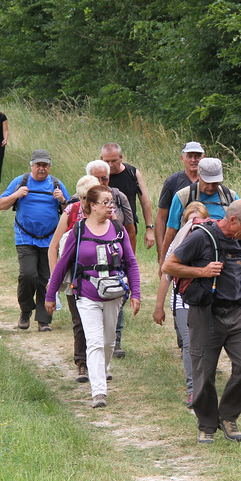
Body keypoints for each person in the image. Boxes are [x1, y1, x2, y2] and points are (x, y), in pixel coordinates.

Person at [162, 199, 241, 444]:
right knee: (203, 373)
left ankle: (227, 416)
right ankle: (206, 424)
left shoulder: (240, 238)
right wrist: (202, 272)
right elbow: (169, 265)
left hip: (236, 312)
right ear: (233, 219)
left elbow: (231, 269)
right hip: (205, 313)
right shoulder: (202, 237)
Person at [45, 185, 141, 409]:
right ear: (93, 206)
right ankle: (99, 391)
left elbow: (132, 263)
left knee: (109, 342)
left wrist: (135, 292)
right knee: (95, 342)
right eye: (106, 202)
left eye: (112, 202)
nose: (111, 206)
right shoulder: (78, 231)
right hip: (86, 295)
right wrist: (51, 295)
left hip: (114, 294)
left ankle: (103, 370)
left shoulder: (118, 228)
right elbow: (62, 265)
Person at [0, 149, 69, 332]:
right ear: (32, 166)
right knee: (28, 275)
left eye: (45, 165)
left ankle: (44, 320)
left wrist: (62, 200)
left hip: (50, 239)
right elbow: (1, 204)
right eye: (38, 165)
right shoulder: (20, 181)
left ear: (49, 167)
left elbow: (70, 211)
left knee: (46, 278)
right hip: (25, 237)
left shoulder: (56, 184)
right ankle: (25, 310)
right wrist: (16, 195)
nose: (42, 169)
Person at [153, 201, 210, 408]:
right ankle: (193, 390)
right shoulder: (177, 245)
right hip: (182, 300)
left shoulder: (211, 241)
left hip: (205, 301)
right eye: (189, 222)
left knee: (203, 344)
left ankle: (203, 385)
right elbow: (166, 275)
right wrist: (159, 307)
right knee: (189, 343)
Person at [87, 159, 135, 358]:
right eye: (96, 178)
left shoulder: (119, 197)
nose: (101, 181)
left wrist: (130, 256)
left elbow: (130, 228)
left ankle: (116, 341)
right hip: (90, 265)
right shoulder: (79, 200)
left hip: (117, 258)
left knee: (117, 294)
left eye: (104, 178)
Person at [161, 157, 237, 267]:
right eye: (207, 182)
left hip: (222, 259)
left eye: (215, 183)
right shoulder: (182, 197)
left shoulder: (231, 197)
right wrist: (163, 265)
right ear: (199, 175)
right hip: (189, 259)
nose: (211, 187)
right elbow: (171, 233)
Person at [155, 141, 204, 266]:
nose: (194, 160)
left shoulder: (211, 182)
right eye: (190, 156)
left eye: (197, 156)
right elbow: (161, 218)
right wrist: (161, 252)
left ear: (203, 158)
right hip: (180, 242)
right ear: (182, 159)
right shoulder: (173, 182)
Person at [102, 142, 156, 251]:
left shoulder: (132, 173)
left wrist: (149, 228)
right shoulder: (98, 175)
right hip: (102, 229)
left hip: (128, 229)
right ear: (101, 159)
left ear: (121, 158)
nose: (110, 165)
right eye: (107, 161)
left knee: (129, 264)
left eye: (114, 161)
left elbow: (145, 202)